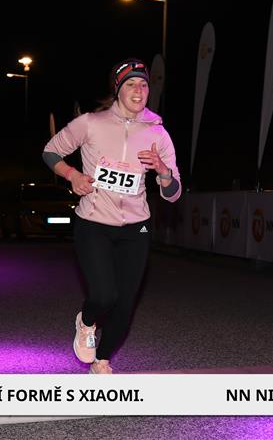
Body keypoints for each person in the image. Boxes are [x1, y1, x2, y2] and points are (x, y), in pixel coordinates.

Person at [42, 58, 182, 374]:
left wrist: (163, 172)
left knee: (125, 303)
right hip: (94, 222)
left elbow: (173, 193)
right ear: (118, 89)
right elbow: (50, 151)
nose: (139, 90)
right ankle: (86, 321)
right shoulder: (90, 123)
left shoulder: (158, 133)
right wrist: (72, 175)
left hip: (136, 228)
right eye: (131, 84)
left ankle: (102, 361)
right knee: (105, 295)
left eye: (144, 84)